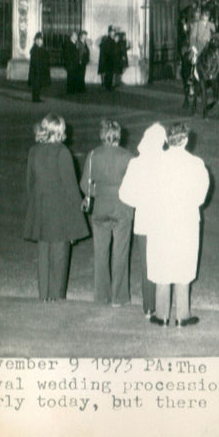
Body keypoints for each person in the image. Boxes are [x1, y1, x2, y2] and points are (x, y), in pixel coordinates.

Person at [143, 122, 208, 327]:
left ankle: (161, 314)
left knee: (162, 262)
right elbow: (200, 196)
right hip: (185, 219)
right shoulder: (196, 164)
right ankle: (183, 314)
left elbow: (148, 192)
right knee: (183, 262)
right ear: (186, 140)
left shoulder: (155, 163)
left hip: (161, 218)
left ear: (168, 140)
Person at [23, 114, 89, 301]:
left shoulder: (34, 151)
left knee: (43, 256)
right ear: (58, 131)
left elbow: (30, 183)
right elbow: (71, 189)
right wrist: (76, 225)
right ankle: (57, 298)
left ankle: (43, 296)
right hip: (60, 213)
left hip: (40, 211)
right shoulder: (63, 152)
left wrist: (35, 207)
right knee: (59, 258)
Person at [80, 119, 134, 306]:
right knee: (120, 253)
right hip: (122, 207)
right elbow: (134, 183)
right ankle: (118, 297)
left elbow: (84, 182)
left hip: (100, 207)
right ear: (119, 135)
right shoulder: (127, 156)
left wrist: (96, 194)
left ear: (102, 135)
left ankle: (101, 295)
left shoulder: (93, 155)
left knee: (100, 252)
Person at [119, 123, 167, 318]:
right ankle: (163, 304)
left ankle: (149, 307)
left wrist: (139, 201)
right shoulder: (166, 162)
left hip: (144, 219)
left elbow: (124, 194)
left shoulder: (136, 163)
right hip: (164, 219)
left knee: (147, 264)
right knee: (162, 260)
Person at [28, 32, 50, 103]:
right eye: (40, 40)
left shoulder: (40, 48)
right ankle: (35, 98)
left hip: (40, 69)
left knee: (39, 84)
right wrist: (37, 69)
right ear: (36, 40)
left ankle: (37, 97)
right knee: (36, 85)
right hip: (36, 70)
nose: (41, 41)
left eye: (41, 40)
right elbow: (35, 61)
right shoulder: (35, 49)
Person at [98, 26, 116, 91]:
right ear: (109, 33)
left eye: (113, 32)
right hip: (108, 60)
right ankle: (108, 86)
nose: (113, 33)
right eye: (111, 32)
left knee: (110, 73)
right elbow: (107, 51)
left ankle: (109, 86)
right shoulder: (107, 41)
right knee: (108, 73)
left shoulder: (112, 40)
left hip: (111, 60)